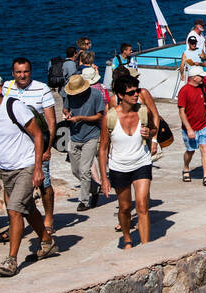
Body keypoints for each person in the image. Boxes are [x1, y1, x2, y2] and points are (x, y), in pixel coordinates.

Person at [0, 73, 58, 276]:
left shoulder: (14, 106)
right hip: (6, 169)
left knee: (14, 210)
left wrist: (38, 167)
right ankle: (46, 241)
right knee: (27, 208)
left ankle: (11, 260)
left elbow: (37, 134)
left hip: (26, 166)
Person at [98, 76, 155, 249]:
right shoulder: (110, 117)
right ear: (120, 95)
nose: (136, 95)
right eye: (131, 93)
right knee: (124, 207)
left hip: (142, 162)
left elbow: (153, 129)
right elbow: (103, 149)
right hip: (119, 167)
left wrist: (150, 134)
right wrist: (104, 178)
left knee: (142, 205)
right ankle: (127, 238)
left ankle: (145, 247)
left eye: (137, 91)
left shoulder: (143, 111)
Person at [4, 57, 58, 234]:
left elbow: (51, 122)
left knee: (44, 182)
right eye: (18, 72)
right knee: (10, 185)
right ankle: (15, 220)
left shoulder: (42, 89)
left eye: (25, 71)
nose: (22, 75)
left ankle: (48, 217)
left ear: (31, 72)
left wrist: (48, 148)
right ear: (13, 73)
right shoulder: (6, 88)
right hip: (14, 148)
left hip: (37, 145)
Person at [61, 73, 105, 211]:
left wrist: (80, 118)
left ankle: (84, 201)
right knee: (76, 171)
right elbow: (65, 108)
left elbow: (100, 115)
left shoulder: (96, 95)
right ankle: (95, 188)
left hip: (91, 136)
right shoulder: (69, 95)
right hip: (74, 136)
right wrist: (67, 114)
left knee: (85, 170)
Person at [178, 66, 206, 186]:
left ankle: (205, 176)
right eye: (200, 76)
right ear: (193, 77)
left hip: (203, 125)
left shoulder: (203, 87)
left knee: (204, 149)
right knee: (190, 151)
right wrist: (188, 129)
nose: (203, 78)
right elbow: (182, 112)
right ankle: (186, 167)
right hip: (190, 127)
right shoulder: (184, 90)